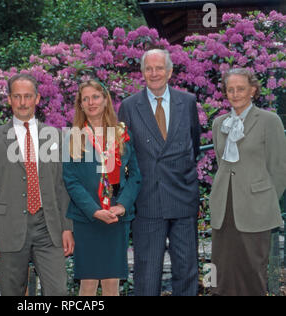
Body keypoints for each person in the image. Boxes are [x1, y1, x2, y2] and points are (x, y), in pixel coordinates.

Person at [0, 73, 74, 296]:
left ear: (38, 98)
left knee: (58, 291)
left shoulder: (55, 136)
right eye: (17, 96)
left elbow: (62, 185)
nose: (22, 102)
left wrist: (67, 227)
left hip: (48, 227)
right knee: (12, 292)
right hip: (7, 227)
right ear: (9, 99)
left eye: (28, 96)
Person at [118, 49, 201, 296]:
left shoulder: (187, 102)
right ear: (142, 73)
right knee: (147, 273)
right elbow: (125, 156)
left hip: (183, 197)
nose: (154, 73)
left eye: (159, 68)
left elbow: (193, 144)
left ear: (170, 71)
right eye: (149, 69)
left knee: (187, 270)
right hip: (147, 201)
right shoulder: (129, 107)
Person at [209, 68, 286, 296]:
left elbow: (279, 168)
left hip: (255, 209)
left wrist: (266, 200)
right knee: (218, 270)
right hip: (223, 208)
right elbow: (222, 164)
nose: (235, 94)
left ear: (253, 90)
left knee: (253, 269)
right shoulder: (219, 124)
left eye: (240, 89)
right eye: (230, 89)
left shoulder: (268, 121)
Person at [63, 80, 142, 296]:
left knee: (111, 282)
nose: (91, 102)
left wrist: (123, 205)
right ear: (80, 105)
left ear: (106, 100)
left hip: (116, 218)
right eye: (85, 99)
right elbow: (71, 180)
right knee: (87, 283)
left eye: (95, 97)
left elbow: (135, 175)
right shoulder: (73, 137)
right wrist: (93, 210)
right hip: (87, 219)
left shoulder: (121, 134)